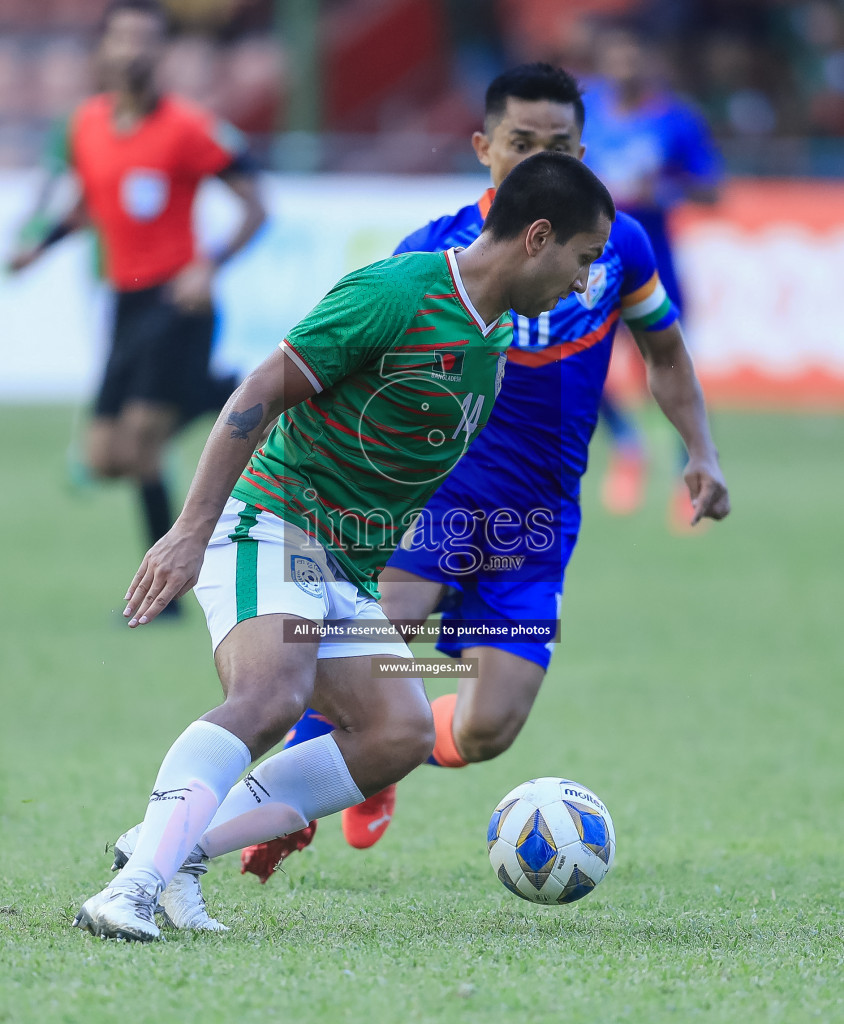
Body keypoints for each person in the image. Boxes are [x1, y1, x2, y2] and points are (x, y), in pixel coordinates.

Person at [70, 150, 616, 942]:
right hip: (271, 524)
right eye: (584, 258)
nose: (584, 282)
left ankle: (175, 851)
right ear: (539, 236)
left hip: (343, 567)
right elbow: (259, 392)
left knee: (399, 732)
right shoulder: (397, 291)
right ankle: (131, 890)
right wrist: (191, 531)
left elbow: (397, 477)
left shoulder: (489, 346)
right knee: (270, 696)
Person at [240, 62, 730, 886]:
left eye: (563, 145)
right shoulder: (430, 250)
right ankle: (308, 787)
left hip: (537, 520)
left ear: (584, 148)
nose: (544, 157)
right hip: (436, 499)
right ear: (483, 146)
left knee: (487, 729)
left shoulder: (614, 247)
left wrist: (701, 452)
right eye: (522, 143)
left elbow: (667, 353)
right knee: (378, 636)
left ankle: (385, 755)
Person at [7, 0, 266, 613]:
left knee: (144, 447)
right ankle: (218, 392)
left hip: (178, 300)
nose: (134, 51)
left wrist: (211, 262)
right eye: (123, 39)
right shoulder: (85, 125)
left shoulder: (189, 126)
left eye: (147, 40)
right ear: (102, 49)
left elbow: (257, 205)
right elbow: (83, 207)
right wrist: (36, 249)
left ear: (163, 51)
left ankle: (165, 597)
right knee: (105, 458)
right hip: (124, 303)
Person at [582, 20, 724, 525]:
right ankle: (626, 443)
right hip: (588, 270)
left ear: (648, 62)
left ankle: (687, 475)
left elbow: (712, 192)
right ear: (601, 61)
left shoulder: (677, 120)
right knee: (579, 366)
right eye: (615, 57)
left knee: (665, 369)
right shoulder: (582, 112)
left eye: (633, 57)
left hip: (653, 268)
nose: (624, 66)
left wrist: (659, 190)